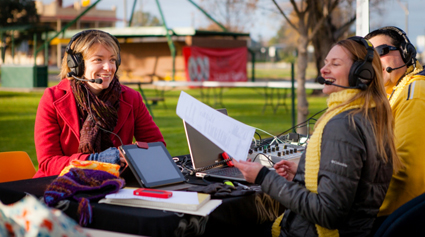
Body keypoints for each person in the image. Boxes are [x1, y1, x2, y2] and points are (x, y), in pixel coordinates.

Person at [234, 37, 401, 236]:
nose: (323, 70)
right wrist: (302, 173)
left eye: (335, 64)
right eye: (325, 63)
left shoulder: (344, 125)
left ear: (361, 74)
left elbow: (329, 213)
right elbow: (356, 181)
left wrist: (263, 177)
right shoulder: (371, 116)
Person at [34, 30, 165, 178]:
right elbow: (48, 162)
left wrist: (133, 157)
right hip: (61, 186)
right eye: (98, 60)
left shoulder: (131, 98)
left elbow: (157, 148)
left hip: (116, 185)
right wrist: (93, 162)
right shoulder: (52, 98)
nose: (109, 68)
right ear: (77, 64)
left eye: (112, 60)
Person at [364, 26, 425, 223]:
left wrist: (359, 209)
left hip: (393, 219)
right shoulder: (394, 94)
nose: (373, 61)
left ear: (406, 53)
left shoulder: (413, 94)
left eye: (379, 52)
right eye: (367, 56)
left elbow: (406, 175)